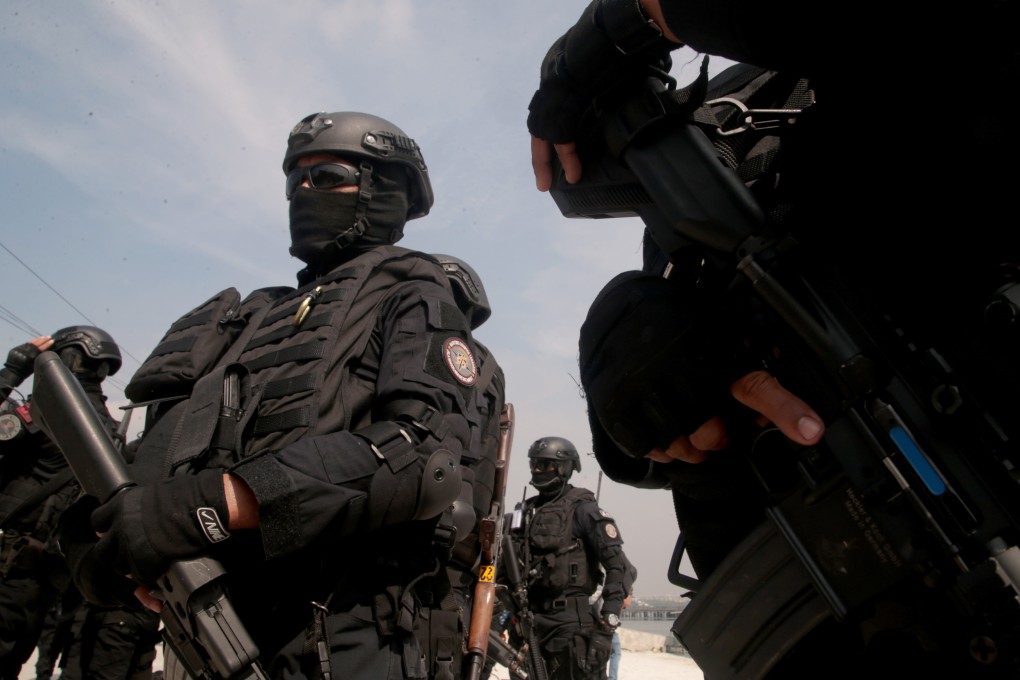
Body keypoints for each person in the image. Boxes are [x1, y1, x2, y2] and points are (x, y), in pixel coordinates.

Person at [525, 0, 1020, 677]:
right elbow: (683, 429)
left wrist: (637, 17)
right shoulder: (726, 127)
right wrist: (633, 373)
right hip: (842, 598)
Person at [58, 110, 487, 680]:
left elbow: (423, 457)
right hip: (216, 622)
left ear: (387, 189)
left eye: (328, 175)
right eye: (295, 180)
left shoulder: (413, 295)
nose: (304, 193)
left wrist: (212, 505)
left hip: (341, 629)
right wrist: (110, 537)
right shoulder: (255, 315)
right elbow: (166, 459)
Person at [0, 328, 124, 680]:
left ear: (69, 358)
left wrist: (12, 370)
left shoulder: (48, 412)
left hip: (7, 565)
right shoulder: (110, 429)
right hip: (40, 581)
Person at [505, 436, 631, 680]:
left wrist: (607, 625)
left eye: (545, 464)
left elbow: (619, 568)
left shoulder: (584, 511)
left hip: (569, 626)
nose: (537, 470)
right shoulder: (524, 512)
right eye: (534, 464)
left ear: (565, 467)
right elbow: (503, 569)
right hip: (527, 626)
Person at [606, 561, 636, 680]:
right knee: (616, 653)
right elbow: (626, 602)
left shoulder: (610, 587)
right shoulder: (622, 588)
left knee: (608, 653)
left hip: (606, 624)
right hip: (609, 627)